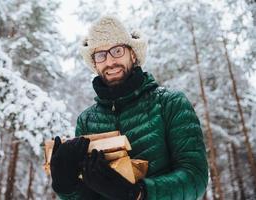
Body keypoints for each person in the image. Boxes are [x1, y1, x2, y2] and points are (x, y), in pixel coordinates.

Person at [50, 15, 208, 200]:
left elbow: (195, 179)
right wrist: (65, 185)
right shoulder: (86, 120)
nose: (110, 62)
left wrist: (138, 193)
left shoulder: (170, 103)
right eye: (101, 55)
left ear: (133, 54)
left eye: (117, 50)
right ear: (95, 63)